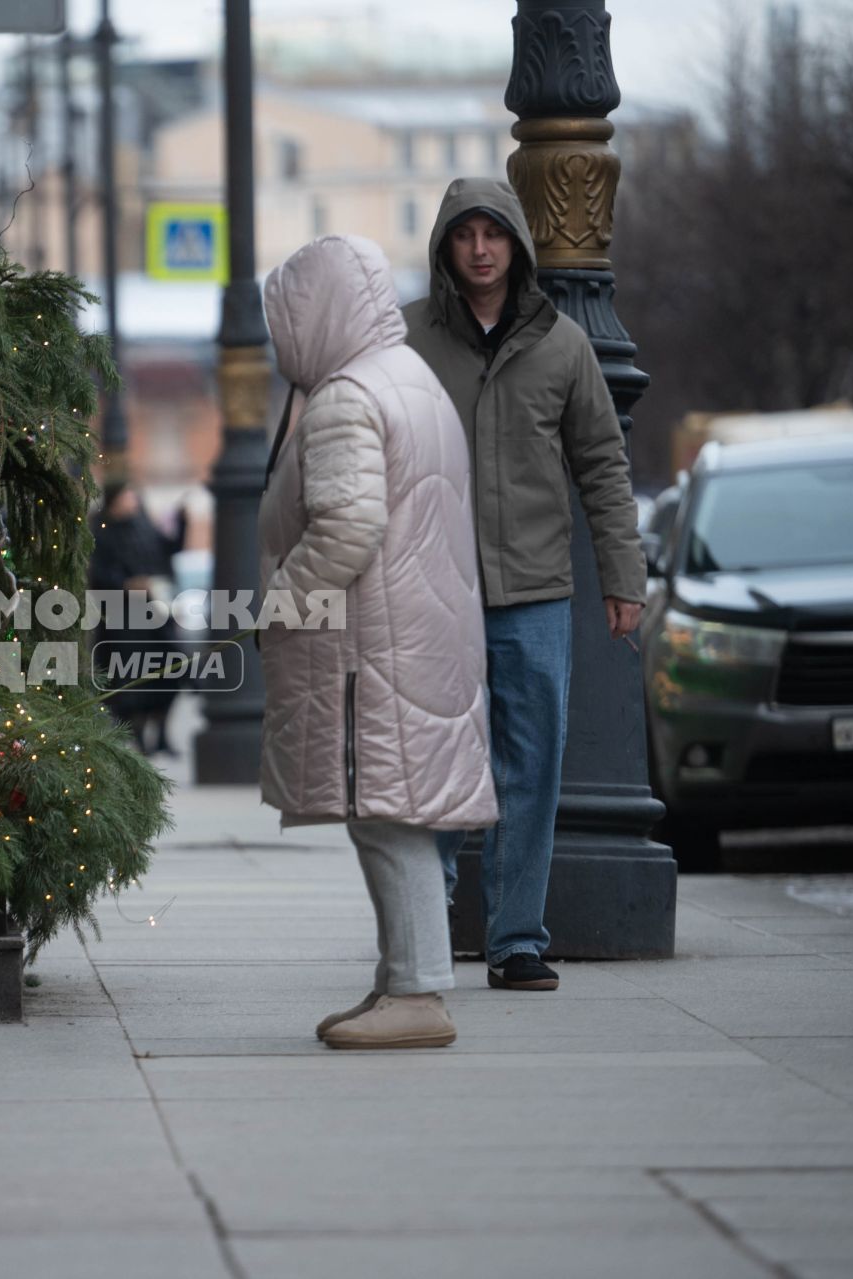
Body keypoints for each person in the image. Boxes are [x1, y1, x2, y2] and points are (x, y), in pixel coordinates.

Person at [402, 178, 646, 992]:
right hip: (433, 593)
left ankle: (514, 940)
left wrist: (623, 577)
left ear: (517, 245)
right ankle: (424, 925)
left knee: (529, 767)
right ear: (445, 245)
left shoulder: (563, 344)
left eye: (494, 234)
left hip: (535, 593)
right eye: (465, 234)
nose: (479, 249)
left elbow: (604, 468)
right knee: (436, 766)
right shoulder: (405, 339)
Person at [257, 234, 498, 1050]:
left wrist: (279, 602)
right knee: (391, 813)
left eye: (284, 319)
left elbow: (349, 527)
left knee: (387, 815)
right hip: (414, 635)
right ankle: (402, 979)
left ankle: (420, 991)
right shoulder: (411, 381)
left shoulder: (345, 397)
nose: (280, 338)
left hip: (370, 646)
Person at [90, 481, 185, 755]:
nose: (132, 501)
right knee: (131, 678)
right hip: (124, 622)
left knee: (171, 672)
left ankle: (162, 733)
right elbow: (99, 576)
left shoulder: (145, 527)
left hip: (157, 616)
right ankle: (138, 735)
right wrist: (128, 584)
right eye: (126, 495)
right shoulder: (103, 532)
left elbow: (168, 552)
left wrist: (182, 521)